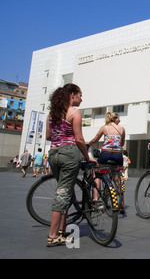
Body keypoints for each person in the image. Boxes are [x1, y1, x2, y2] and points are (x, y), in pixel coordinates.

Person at [46, 83, 95, 247]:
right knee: (62, 192)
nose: (81, 98)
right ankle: (53, 235)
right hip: (69, 154)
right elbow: (79, 139)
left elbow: (48, 135)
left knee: (64, 189)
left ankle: (61, 230)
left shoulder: (52, 114)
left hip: (53, 153)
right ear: (72, 95)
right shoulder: (75, 112)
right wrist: (87, 157)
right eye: (80, 95)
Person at [87, 112, 126, 213]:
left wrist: (89, 144)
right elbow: (122, 143)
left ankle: (95, 199)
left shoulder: (105, 128)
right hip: (118, 155)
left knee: (97, 172)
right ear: (116, 118)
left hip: (105, 154)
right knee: (118, 178)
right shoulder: (122, 129)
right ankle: (121, 204)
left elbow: (96, 139)